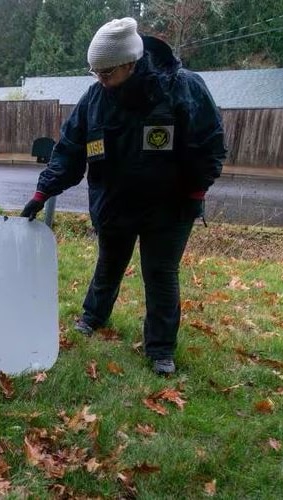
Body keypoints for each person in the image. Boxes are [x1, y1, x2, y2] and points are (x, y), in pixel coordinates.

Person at [20, 18, 226, 375]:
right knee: (109, 264)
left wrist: (196, 189)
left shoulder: (181, 88)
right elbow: (69, 149)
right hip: (115, 203)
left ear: (130, 63)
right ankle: (93, 317)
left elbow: (209, 144)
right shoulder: (95, 99)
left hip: (169, 206)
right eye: (95, 71)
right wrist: (43, 191)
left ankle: (160, 349)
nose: (100, 79)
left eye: (107, 72)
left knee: (160, 273)